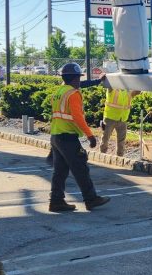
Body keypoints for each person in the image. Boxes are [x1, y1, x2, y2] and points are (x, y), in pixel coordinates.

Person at [48, 62, 110, 213]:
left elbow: (83, 84)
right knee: (80, 168)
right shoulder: (73, 94)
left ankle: (56, 201)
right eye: (78, 78)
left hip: (56, 136)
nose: (79, 81)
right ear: (75, 78)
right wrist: (90, 136)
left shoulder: (59, 91)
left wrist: (97, 81)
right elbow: (77, 117)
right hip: (68, 138)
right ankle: (91, 199)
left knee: (60, 171)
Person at [100, 88, 137, 157]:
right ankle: (102, 155)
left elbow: (138, 91)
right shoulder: (113, 89)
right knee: (105, 138)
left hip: (123, 119)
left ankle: (120, 157)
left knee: (121, 141)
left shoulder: (129, 91)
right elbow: (109, 85)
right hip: (110, 118)